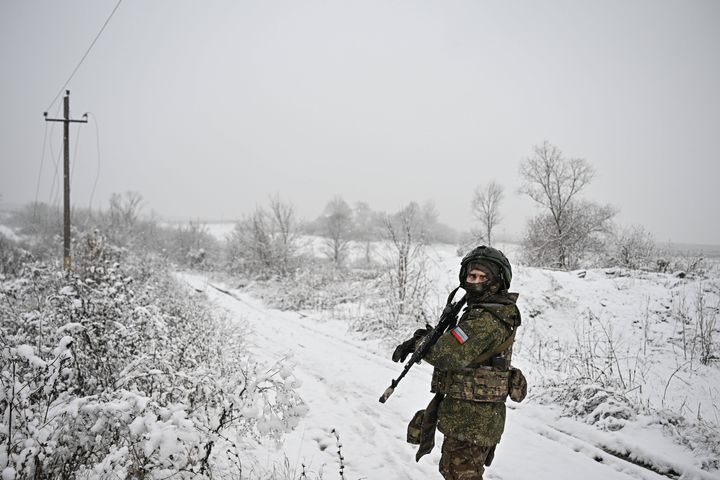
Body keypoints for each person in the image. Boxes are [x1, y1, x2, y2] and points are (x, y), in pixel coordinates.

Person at [392, 245, 525, 480]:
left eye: (483, 277)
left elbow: (448, 354)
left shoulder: (486, 319)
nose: (475, 281)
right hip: (468, 416)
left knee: (459, 475)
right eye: (471, 276)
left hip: (472, 421)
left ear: (498, 280)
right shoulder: (482, 310)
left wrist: (418, 343)